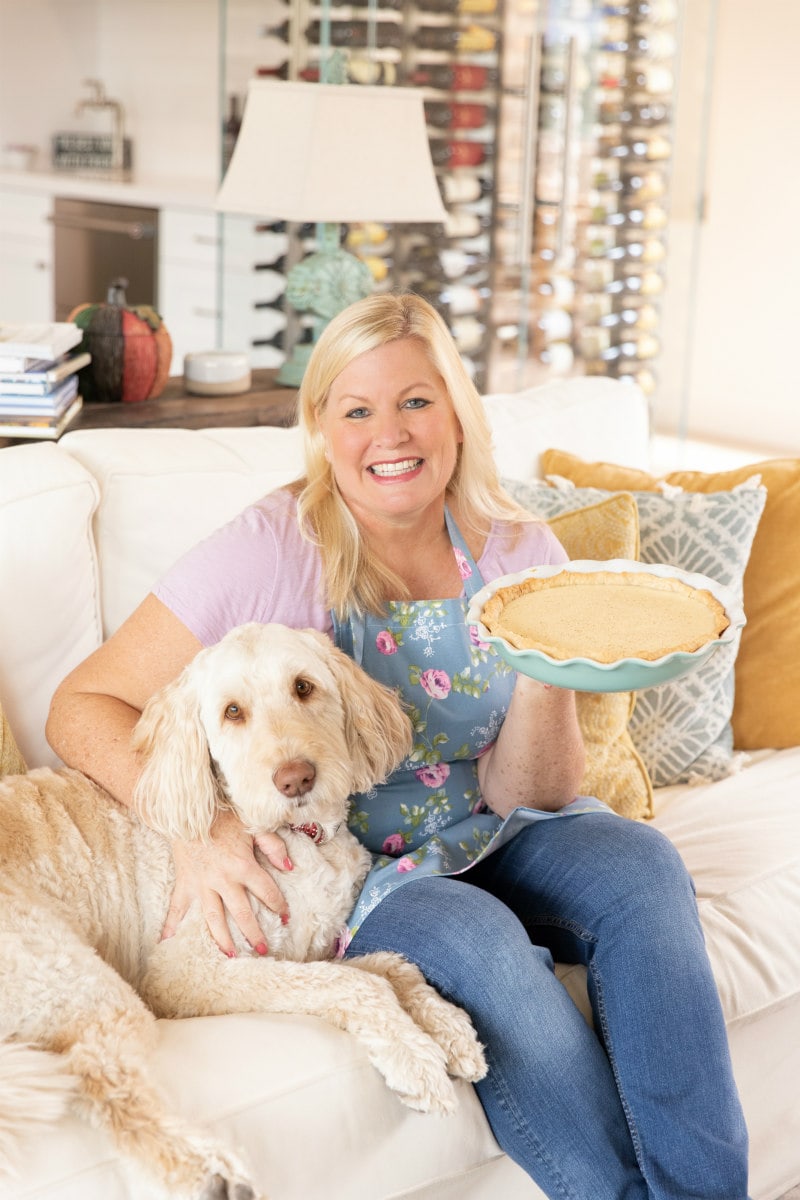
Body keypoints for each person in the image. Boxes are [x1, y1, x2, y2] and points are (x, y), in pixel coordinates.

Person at [47, 293, 749, 1199]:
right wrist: (197, 829)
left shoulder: (518, 548)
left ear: (457, 412)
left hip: (499, 827)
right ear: (322, 431)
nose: (392, 433)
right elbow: (80, 705)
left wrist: (541, 664)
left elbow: (528, 793)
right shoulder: (269, 547)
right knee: (481, 941)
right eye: (357, 409)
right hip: (366, 876)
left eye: (416, 401)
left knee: (645, 865)